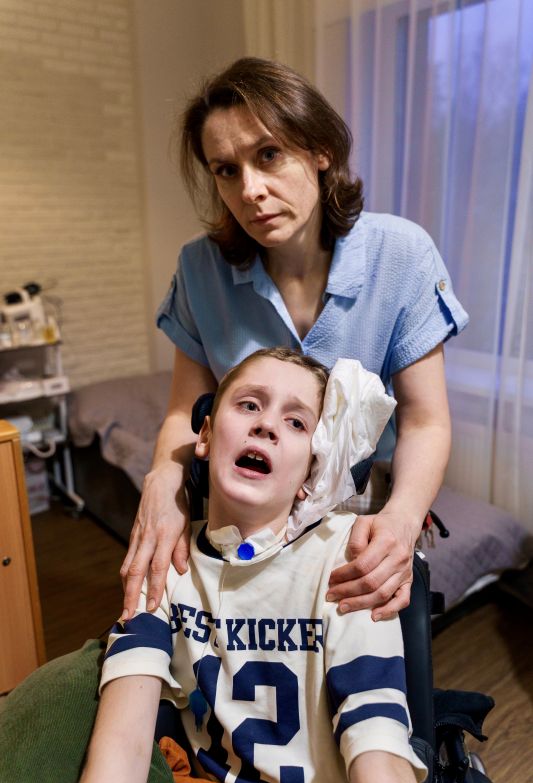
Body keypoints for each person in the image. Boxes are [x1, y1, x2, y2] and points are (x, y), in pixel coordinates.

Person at [120, 56, 468, 625]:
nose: (250, 190)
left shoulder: (400, 254)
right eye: (225, 170)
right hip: (244, 511)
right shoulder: (200, 269)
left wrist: (403, 519)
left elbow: (425, 421)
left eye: (268, 155)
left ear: (320, 149)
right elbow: (184, 412)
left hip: (364, 509)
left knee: (360, 665)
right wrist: (164, 478)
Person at [77, 348, 426, 783]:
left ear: (313, 472)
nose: (266, 425)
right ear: (205, 435)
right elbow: (121, 746)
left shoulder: (349, 558)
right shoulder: (165, 563)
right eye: (249, 405)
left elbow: (378, 748)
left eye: (296, 422)